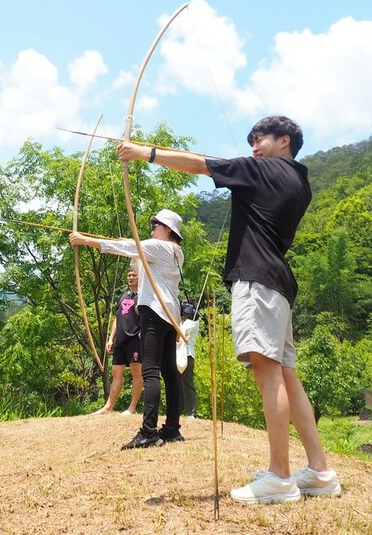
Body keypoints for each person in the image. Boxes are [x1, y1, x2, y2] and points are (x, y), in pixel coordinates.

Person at [116, 116, 341, 503]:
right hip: (279, 284)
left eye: (261, 139)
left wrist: (144, 153)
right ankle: (320, 471)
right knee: (287, 375)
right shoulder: (300, 182)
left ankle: (280, 477)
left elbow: (200, 163)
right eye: (251, 140)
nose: (253, 146)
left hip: (257, 281)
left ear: (284, 140)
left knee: (267, 372)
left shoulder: (262, 170)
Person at [70, 209, 185, 450]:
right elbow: (142, 267)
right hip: (169, 316)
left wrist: (85, 240)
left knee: (150, 372)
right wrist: (133, 248)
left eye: (157, 224)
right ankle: (172, 429)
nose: (152, 227)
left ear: (168, 230)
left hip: (155, 313)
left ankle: (148, 432)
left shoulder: (161, 247)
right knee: (169, 374)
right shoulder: (174, 252)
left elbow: (128, 248)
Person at [92, 265, 143, 415]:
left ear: (140, 277)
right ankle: (108, 407)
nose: (131, 277)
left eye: (134, 275)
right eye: (129, 275)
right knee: (116, 372)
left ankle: (132, 408)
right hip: (120, 339)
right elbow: (117, 318)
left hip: (135, 338)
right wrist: (110, 339)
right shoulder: (122, 296)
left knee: (136, 373)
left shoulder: (143, 296)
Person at [178, 302, 199, 418]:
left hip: (187, 355)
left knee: (187, 384)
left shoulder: (191, 324)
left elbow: (179, 332)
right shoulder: (185, 323)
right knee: (179, 384)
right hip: (180, 355)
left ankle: (191, 412)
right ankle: (180, 410)